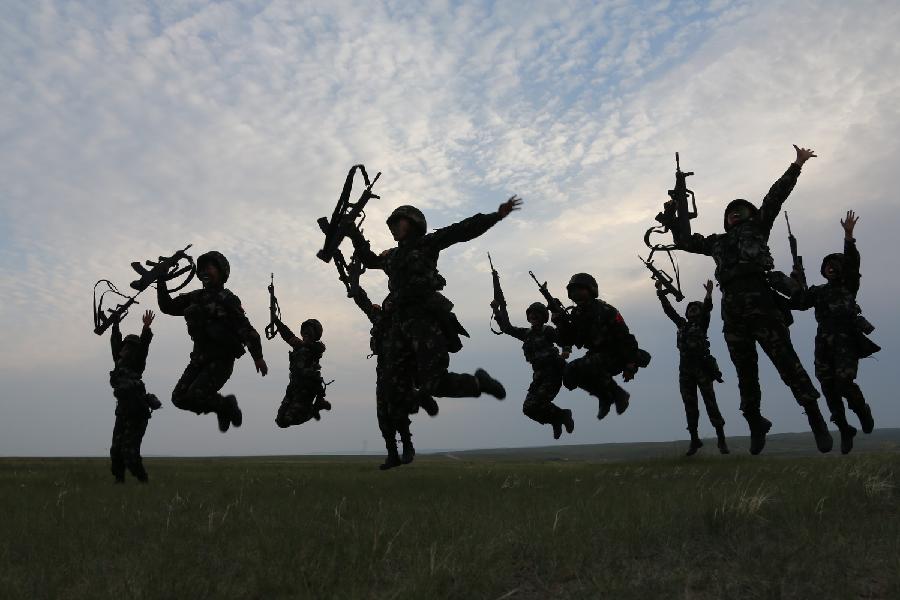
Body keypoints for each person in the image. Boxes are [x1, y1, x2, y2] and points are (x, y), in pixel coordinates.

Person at [672, 145, 831, 454]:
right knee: (745, 372)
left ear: (749, 214)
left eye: (739, 209)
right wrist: (676, 210)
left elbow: (775, 198)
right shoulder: (717, 242)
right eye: (729, 211)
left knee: (787, 362)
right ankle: (755, 422)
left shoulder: (758, 227)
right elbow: (684, 241)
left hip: (761, 301)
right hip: (732, 309)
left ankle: (816, 419)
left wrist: (796, 165)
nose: (734, 212)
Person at [350, 197, 522, 404]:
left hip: (424, 319)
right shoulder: (392, 256)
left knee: (434, 384)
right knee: (397, 378)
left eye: (398, 223)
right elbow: (370, 260)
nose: (393, 229)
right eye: (391, 226)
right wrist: (352, 232)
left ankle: (479, 384)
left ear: (413, 223)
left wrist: (496, 216)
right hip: (399, 323)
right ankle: (412, 407)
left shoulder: (427, 244)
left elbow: (461, 230)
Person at [791, 210, 879, 454]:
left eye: (834, 264)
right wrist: (795, 279)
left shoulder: (849, 285)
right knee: (828, 387)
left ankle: (862, 411)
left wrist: (848, 236)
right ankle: (844, 429)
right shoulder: (819, 291)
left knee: (843, 382)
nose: (830, 267)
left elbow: (852, 264)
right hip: (823, 342)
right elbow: (798, 301)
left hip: (846, 340)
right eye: (827, 265)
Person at [157, 250, 268, 432]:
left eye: (209, 267)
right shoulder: (196, 297)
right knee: (179, 398)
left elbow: (247, 330)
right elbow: (167, 307)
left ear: (221, 271)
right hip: (199, 359)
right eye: (202, 269)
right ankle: (223, 406)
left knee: (195, 395)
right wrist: (161, 280)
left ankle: (225, 405)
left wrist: (258, 356)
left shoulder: (228, 299)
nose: (204, 272)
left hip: (220, 360)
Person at [553, 273, 650, 420]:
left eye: (580, 289)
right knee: (569, 373)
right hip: (596, 356)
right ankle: (605, 397)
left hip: (618, 355)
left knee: (586, 365)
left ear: (591, 290)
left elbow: (626, 338)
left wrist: (630, 365)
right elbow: (568, 340)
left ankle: (618, 394)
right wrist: (559, 323)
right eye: (573, 291)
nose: (576, 294)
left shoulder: (606, 310)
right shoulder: (576, 314)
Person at [656, 280, 728, 455]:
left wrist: (709, 293)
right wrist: (660, 292)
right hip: (685, 370)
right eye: (690, 309)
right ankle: (694, 440)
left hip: (702, 368)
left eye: (696, 308)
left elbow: (707, 309)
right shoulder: (682, 325)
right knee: (690, 405)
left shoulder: (702, 324)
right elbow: (669, 311)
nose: (693, 310)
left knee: (711, 403)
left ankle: (721, 440)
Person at [491, 300, 574, 439]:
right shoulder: (527, 333)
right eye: (531, 314)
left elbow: (564, 339)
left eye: (537, 314)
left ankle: (563, 416)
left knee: (539, 402)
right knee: (528, 408)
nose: (533, 317)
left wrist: (566, 350)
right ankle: (556, 420)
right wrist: (496, 310)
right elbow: (507, 328)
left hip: (552, 373)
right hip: (538, 376)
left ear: (543, 317)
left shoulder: (548, 330)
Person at [108, 310, 162, 483]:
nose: (125, 348)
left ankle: (143, 481)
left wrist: (146, 327)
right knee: (116, 450)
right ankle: (119, 482)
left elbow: (144, 347)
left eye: (130, 346)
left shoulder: (137, 363)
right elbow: (115, 342)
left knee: (129, 452)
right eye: (126, 345)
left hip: (137, 412)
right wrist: (115, 324)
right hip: (122, 412)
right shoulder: (119, 360)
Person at [272, 316, 332, 428]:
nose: (306, 334)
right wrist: (277, 322)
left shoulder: (316, 348)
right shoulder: (299, 345)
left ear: (315, 335)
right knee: (281, 421)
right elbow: (288, 335)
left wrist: (305, 343)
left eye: (309, 332)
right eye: (305, 332)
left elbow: (319, 348)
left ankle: (315, 408)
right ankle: (316, 407)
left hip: (307, 388)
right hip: (293, 386)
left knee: (290, 418)